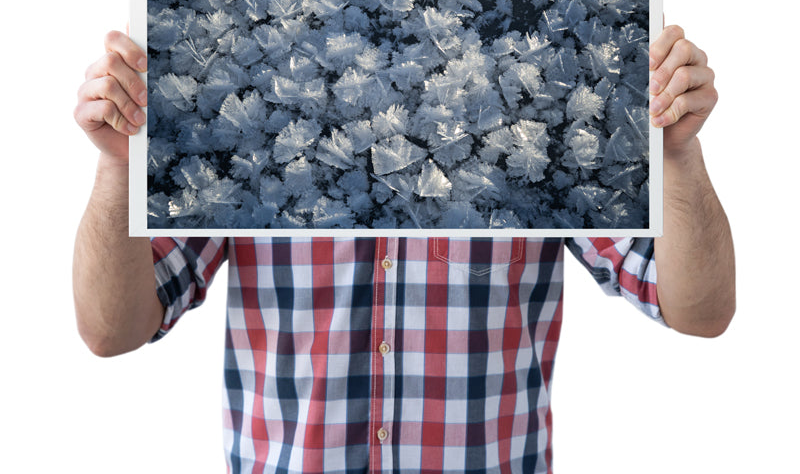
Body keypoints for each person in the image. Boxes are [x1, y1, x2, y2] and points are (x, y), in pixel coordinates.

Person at [73, 24, 734, 474]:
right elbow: (112, 328)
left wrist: (676, 155)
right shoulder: (240, 83)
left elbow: (698, 310)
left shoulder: (541, 87)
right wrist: (120, 168)